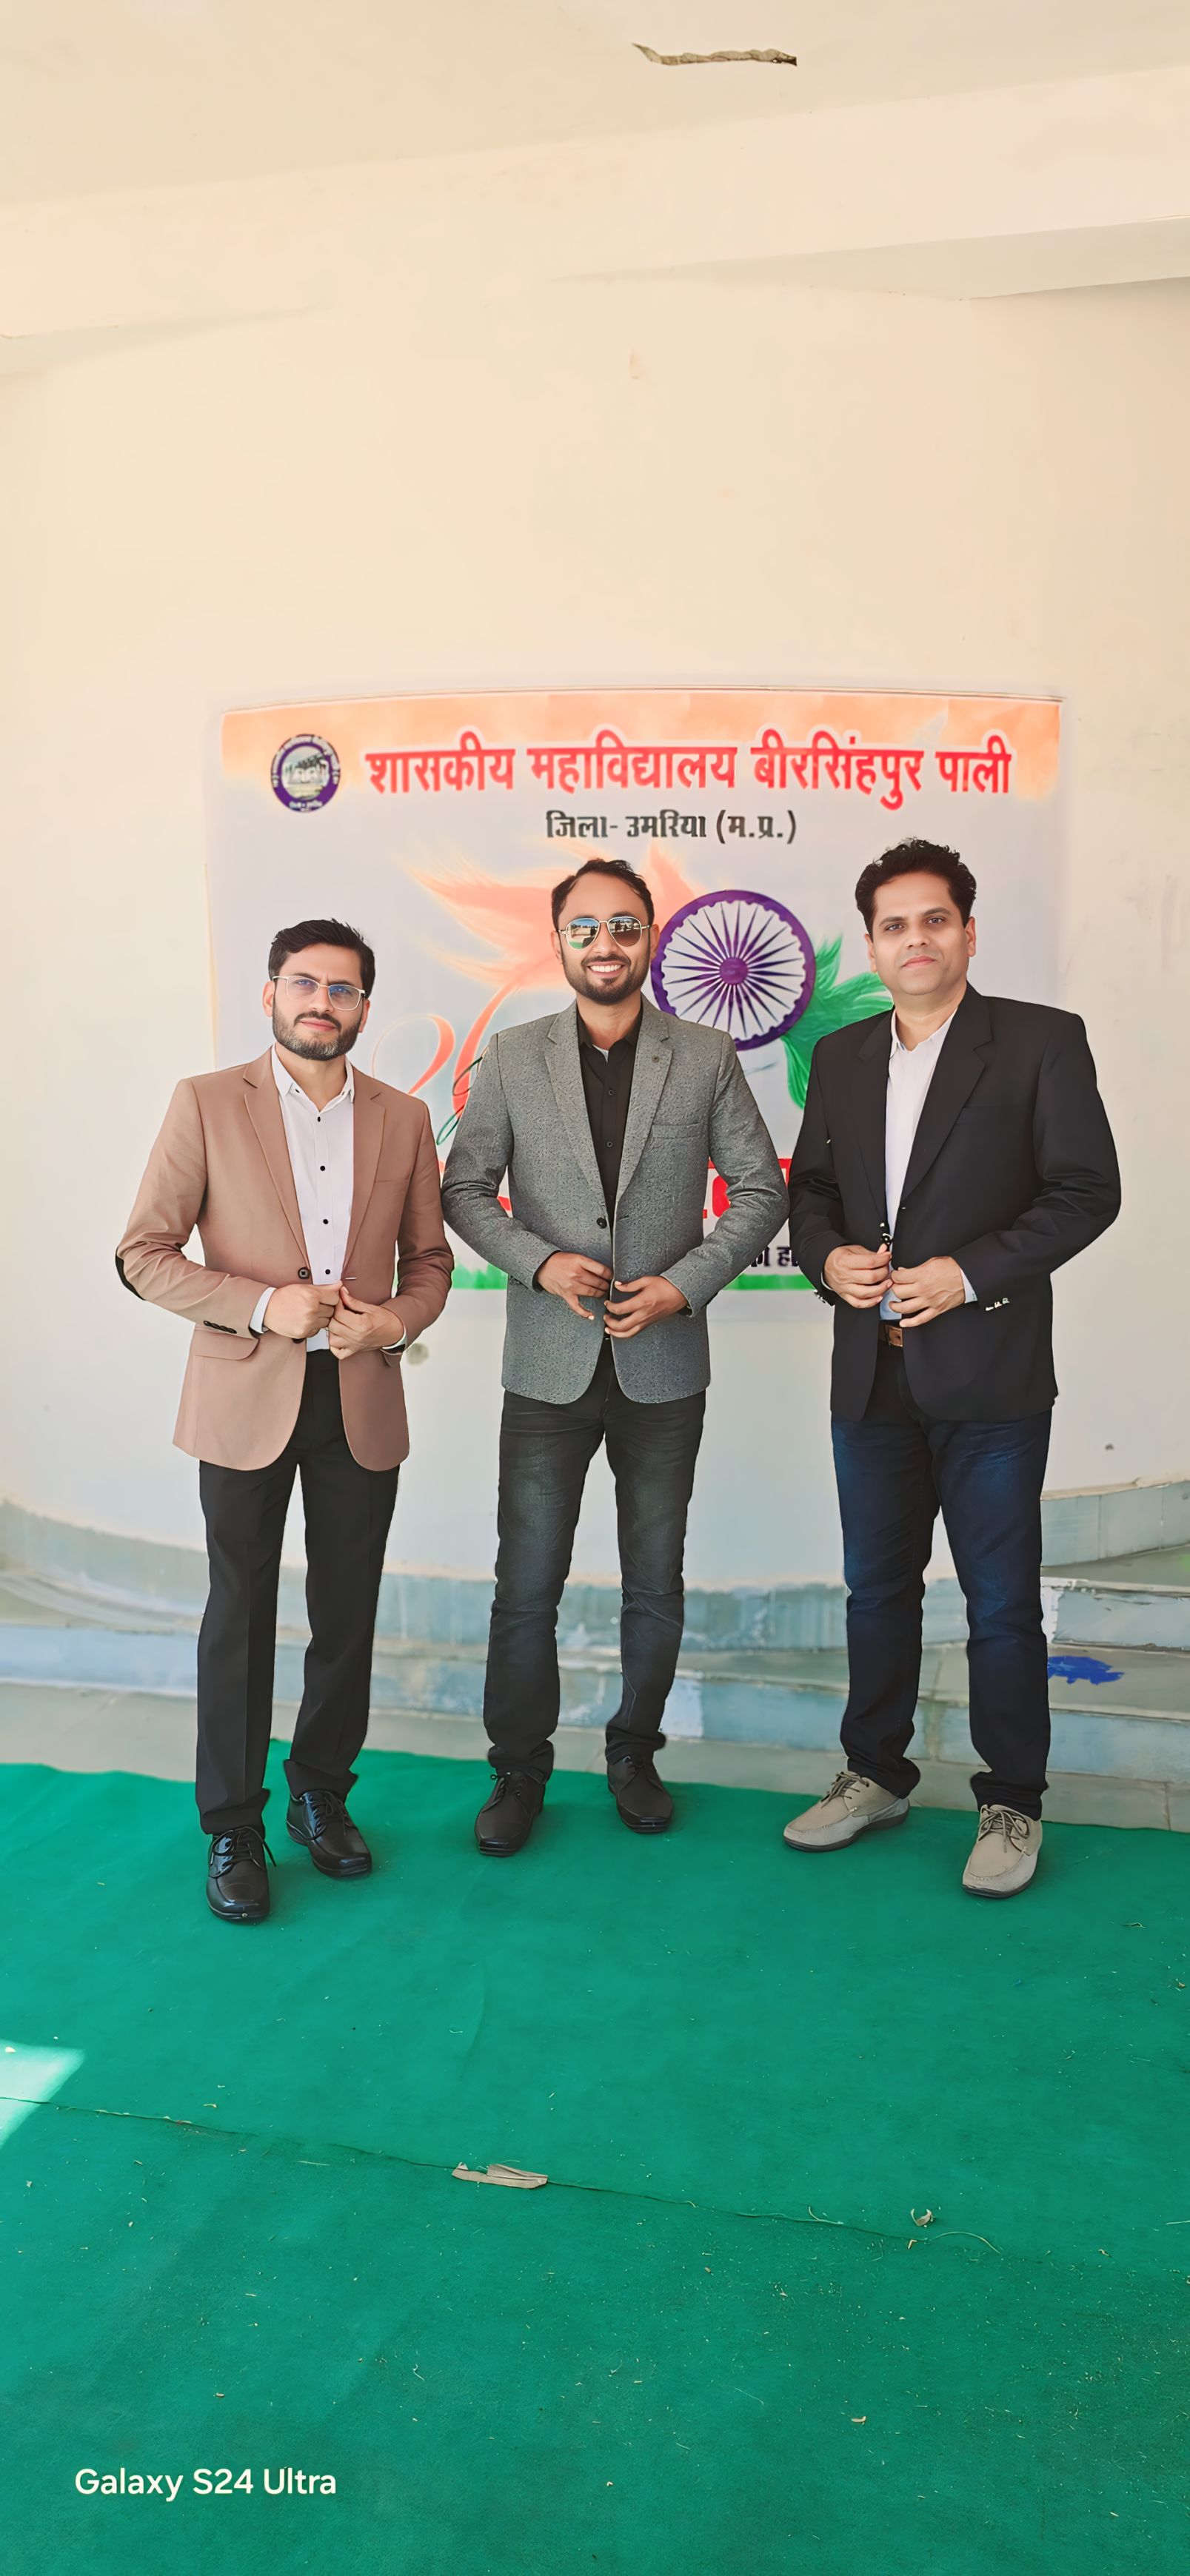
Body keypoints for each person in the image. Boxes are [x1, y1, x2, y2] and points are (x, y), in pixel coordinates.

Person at [785, 839, 1120, 1896]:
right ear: (876, 945)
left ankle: (1012, 1802)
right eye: (894, 924)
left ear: (969, 933)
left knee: (1000, 1604)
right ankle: (874, 1775)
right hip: (871, 1377)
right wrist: (827, 1256)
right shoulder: (841, 1058)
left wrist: (968, 1274)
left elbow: (1084, 1191)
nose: (915, 939)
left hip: (992, 1382)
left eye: (935, 920)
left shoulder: (1038, 1043)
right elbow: (812, 1193)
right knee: (876, 1593)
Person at [441, 857, 787, 1854]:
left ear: (649, 938)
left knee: (654, 1579)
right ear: (558, 941)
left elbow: (760, 1191)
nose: (606, 944)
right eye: (585, 927)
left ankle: (634, 1752)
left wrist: (686, 1283)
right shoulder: (511, 1056)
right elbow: (465, 1193)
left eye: (624, 926)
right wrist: (539, 1262)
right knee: (527, 1585)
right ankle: (517, 1771)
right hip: (548, 1367)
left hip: (663, 1365)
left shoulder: (706, 1054)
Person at [117, 918, 453, 1923]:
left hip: (358, 1395)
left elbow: (430, 1263)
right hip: (245, 1391)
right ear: (270, 994)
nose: (322, 1002)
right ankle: (232, 1825)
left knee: (347, 1613)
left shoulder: (402, 1118)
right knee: (239, 1615)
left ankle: (320, 1795)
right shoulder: (208, 1103)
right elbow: (144, 1253)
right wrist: (265, 1307)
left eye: (343, 988)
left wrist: (390, 1318)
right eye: (304, 984)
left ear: (363, 1006)